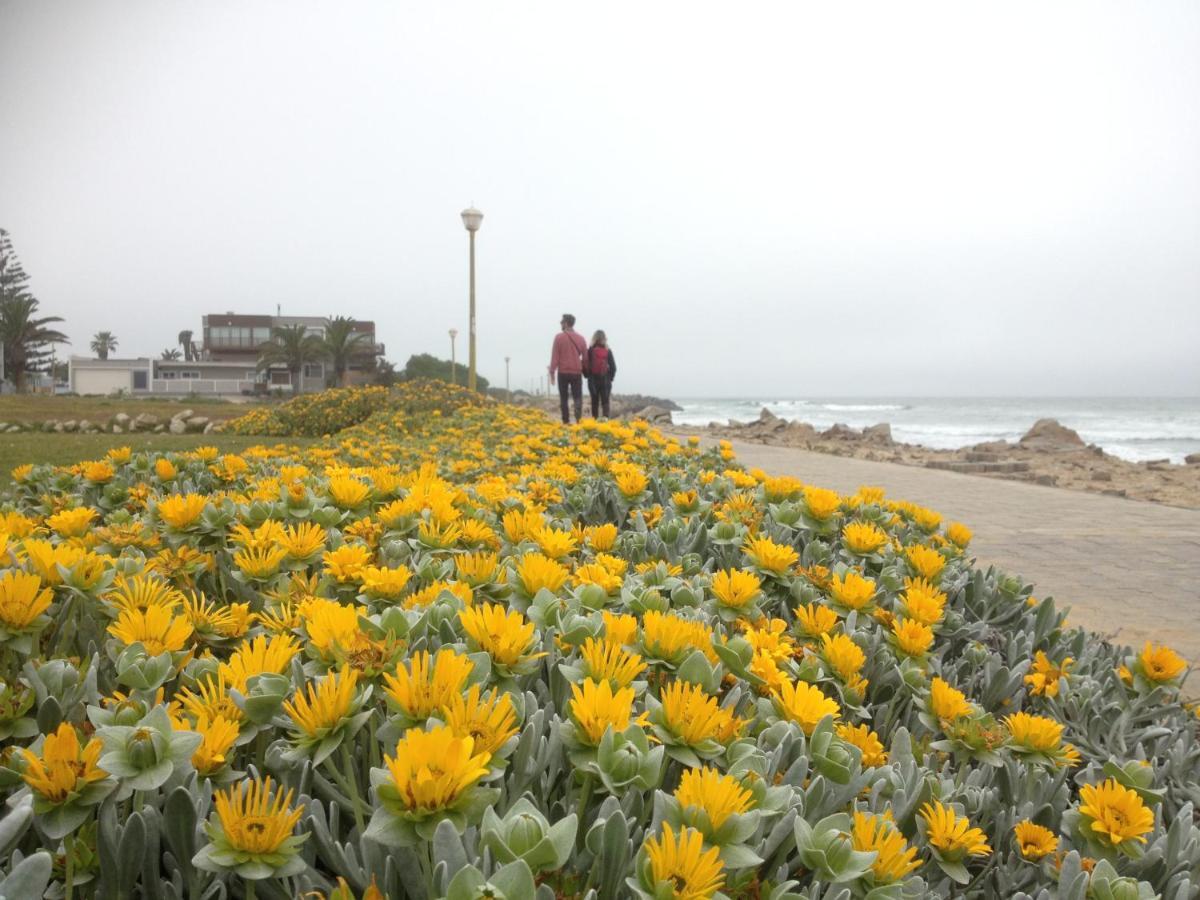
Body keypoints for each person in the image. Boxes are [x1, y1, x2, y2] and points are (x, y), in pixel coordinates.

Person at [548, 313, 587, 424]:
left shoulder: (559, 337)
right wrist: (584, 369)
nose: (560, 324)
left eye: (561, 322)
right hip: (576, 372)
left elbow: (555, 356)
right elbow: (585, 358)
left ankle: (566, 421)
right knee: (577, 397)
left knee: (563, 398)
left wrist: (552, 373)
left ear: (565, 323)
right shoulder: (581, 339)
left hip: (563, 372)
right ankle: (578, 419)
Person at [585, 330, 617, 419]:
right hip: (605, 379)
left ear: (594, 338)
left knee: (594, 402)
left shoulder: (590, 350)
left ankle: (594, 421)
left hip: (593, 380)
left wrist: (587, 375)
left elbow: (586, 365)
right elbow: (613, 367)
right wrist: (610, 378)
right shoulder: (608, 351)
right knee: (605, 402)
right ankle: (605, 420)